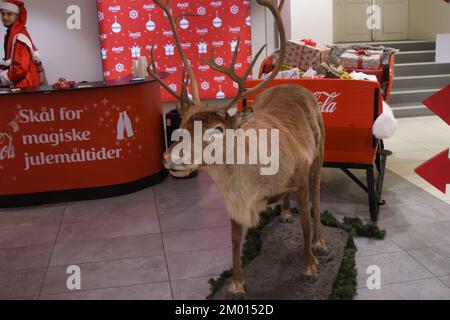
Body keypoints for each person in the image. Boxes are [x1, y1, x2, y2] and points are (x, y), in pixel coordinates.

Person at [0, 0, 41, 88]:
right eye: (2, 14)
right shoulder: (11, 33)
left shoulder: (19, 37)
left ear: (17, 16)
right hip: (22, 84)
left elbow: (20, 68)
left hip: (23, 86)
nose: (5, 17)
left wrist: (1, 78)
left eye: (9, 14)